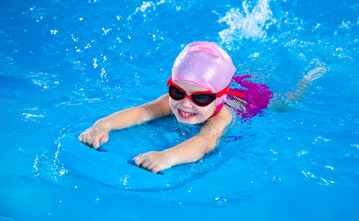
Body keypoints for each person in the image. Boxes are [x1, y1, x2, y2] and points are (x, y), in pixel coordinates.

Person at [78, 41, 326, 174]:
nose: (185, 103)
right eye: (176, 91)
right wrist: (103, 125)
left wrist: (167, 157)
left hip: (256, 99)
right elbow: (142, 111)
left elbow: (205, 141)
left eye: (201, 99)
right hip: (225, 84)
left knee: (287, 104)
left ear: (218, 99)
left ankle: (307, 79)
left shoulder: (222, 117)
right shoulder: (186, 94)